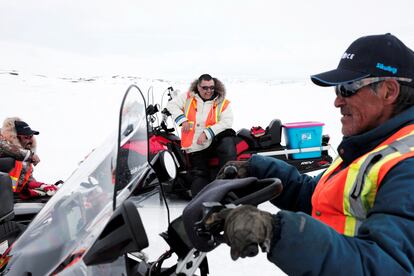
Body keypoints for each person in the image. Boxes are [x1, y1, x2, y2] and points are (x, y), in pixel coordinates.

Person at [213, 33, 414, 275]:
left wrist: (275, 232)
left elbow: (384, 266)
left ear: (389, 92)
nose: (337, 102)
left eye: (347, 88)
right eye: (337, 89)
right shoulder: (370, 145)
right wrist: (259, 168)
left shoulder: (407, 167)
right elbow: (318, 199)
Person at [167, 74, 236, 196]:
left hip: (214, 141)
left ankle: (229, 184)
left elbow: (227, 122)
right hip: (196, 146)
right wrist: (182, 120)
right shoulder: (188, 97)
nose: (209, 91)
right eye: (205, 88)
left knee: (228, 141)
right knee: (200, 176)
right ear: (198, 87)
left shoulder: (222, 102)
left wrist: (207, 133)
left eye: (211, 87)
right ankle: (202, 199)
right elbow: (172, 105)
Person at [0, 117, 59, 200]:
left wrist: (41, 185)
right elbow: (3, 147)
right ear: (15, 137)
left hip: (11, 200)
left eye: (31, 136)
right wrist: (28, 155)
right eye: (26, 137)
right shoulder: (6, 148)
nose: (30, 140)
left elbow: (25, 181)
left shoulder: (25, 158)